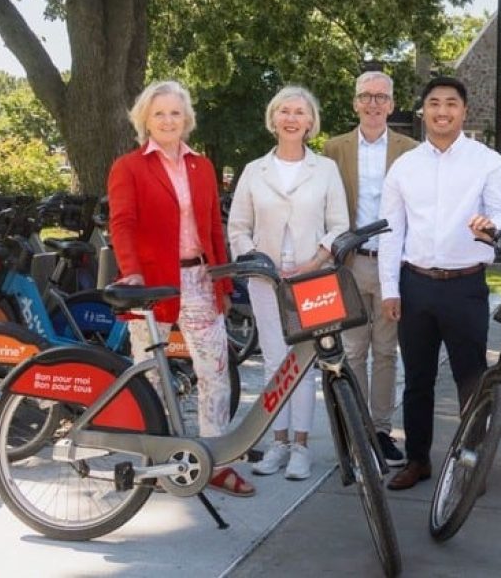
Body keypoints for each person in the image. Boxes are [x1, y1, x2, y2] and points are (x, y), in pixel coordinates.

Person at [107, 80, 255, 498]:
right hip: (150, 285)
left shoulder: (202, 166)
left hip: (199, 281)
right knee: (151, 374)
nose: (168, 120)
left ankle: (215, 461)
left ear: (186, 118)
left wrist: (222, 281)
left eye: (175, 113)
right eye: (159, 114)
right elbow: (123, 224)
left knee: (215, 371)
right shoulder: (129, 166)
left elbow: (212, 226)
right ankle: (158, 460)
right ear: (145, 120)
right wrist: (131, 272)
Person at [378, 76, 501, 490]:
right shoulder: (404, 166)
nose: (442, 111)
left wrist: (491, 229)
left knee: (471, 378)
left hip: (466, 286)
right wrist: (390, 288)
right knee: (417, 379)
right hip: (415, 284)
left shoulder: (486, 161)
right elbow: (391, 232)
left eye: (451, 103)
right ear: (424, 111)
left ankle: (471, 459)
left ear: (464, 111)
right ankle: (417, 459)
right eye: (434, 103)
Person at [227, 85, 349, 481]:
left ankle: (301, 447)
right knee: (275, 361)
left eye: (300, 112)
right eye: (284, 111)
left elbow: (339, 227)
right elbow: (238, 228)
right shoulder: (254, 171)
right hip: (266, 281)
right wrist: (257, 262)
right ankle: (276, 442)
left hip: (312, 279)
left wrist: (316, 260)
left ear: (310, 122)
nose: (292, 118)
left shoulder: (325, 169)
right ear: (273, 118)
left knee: (304, 364)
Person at [323, 71, 417, 468]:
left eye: (381, 97)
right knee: (355, 350)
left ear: (392, 105)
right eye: (366, 96)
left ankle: (380, 429)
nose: (374, 104)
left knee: (386, 352)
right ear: (355, 102)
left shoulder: (412, 150)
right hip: (351, 263)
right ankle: (357, 428)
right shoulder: (334, 149)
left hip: (393, 265)